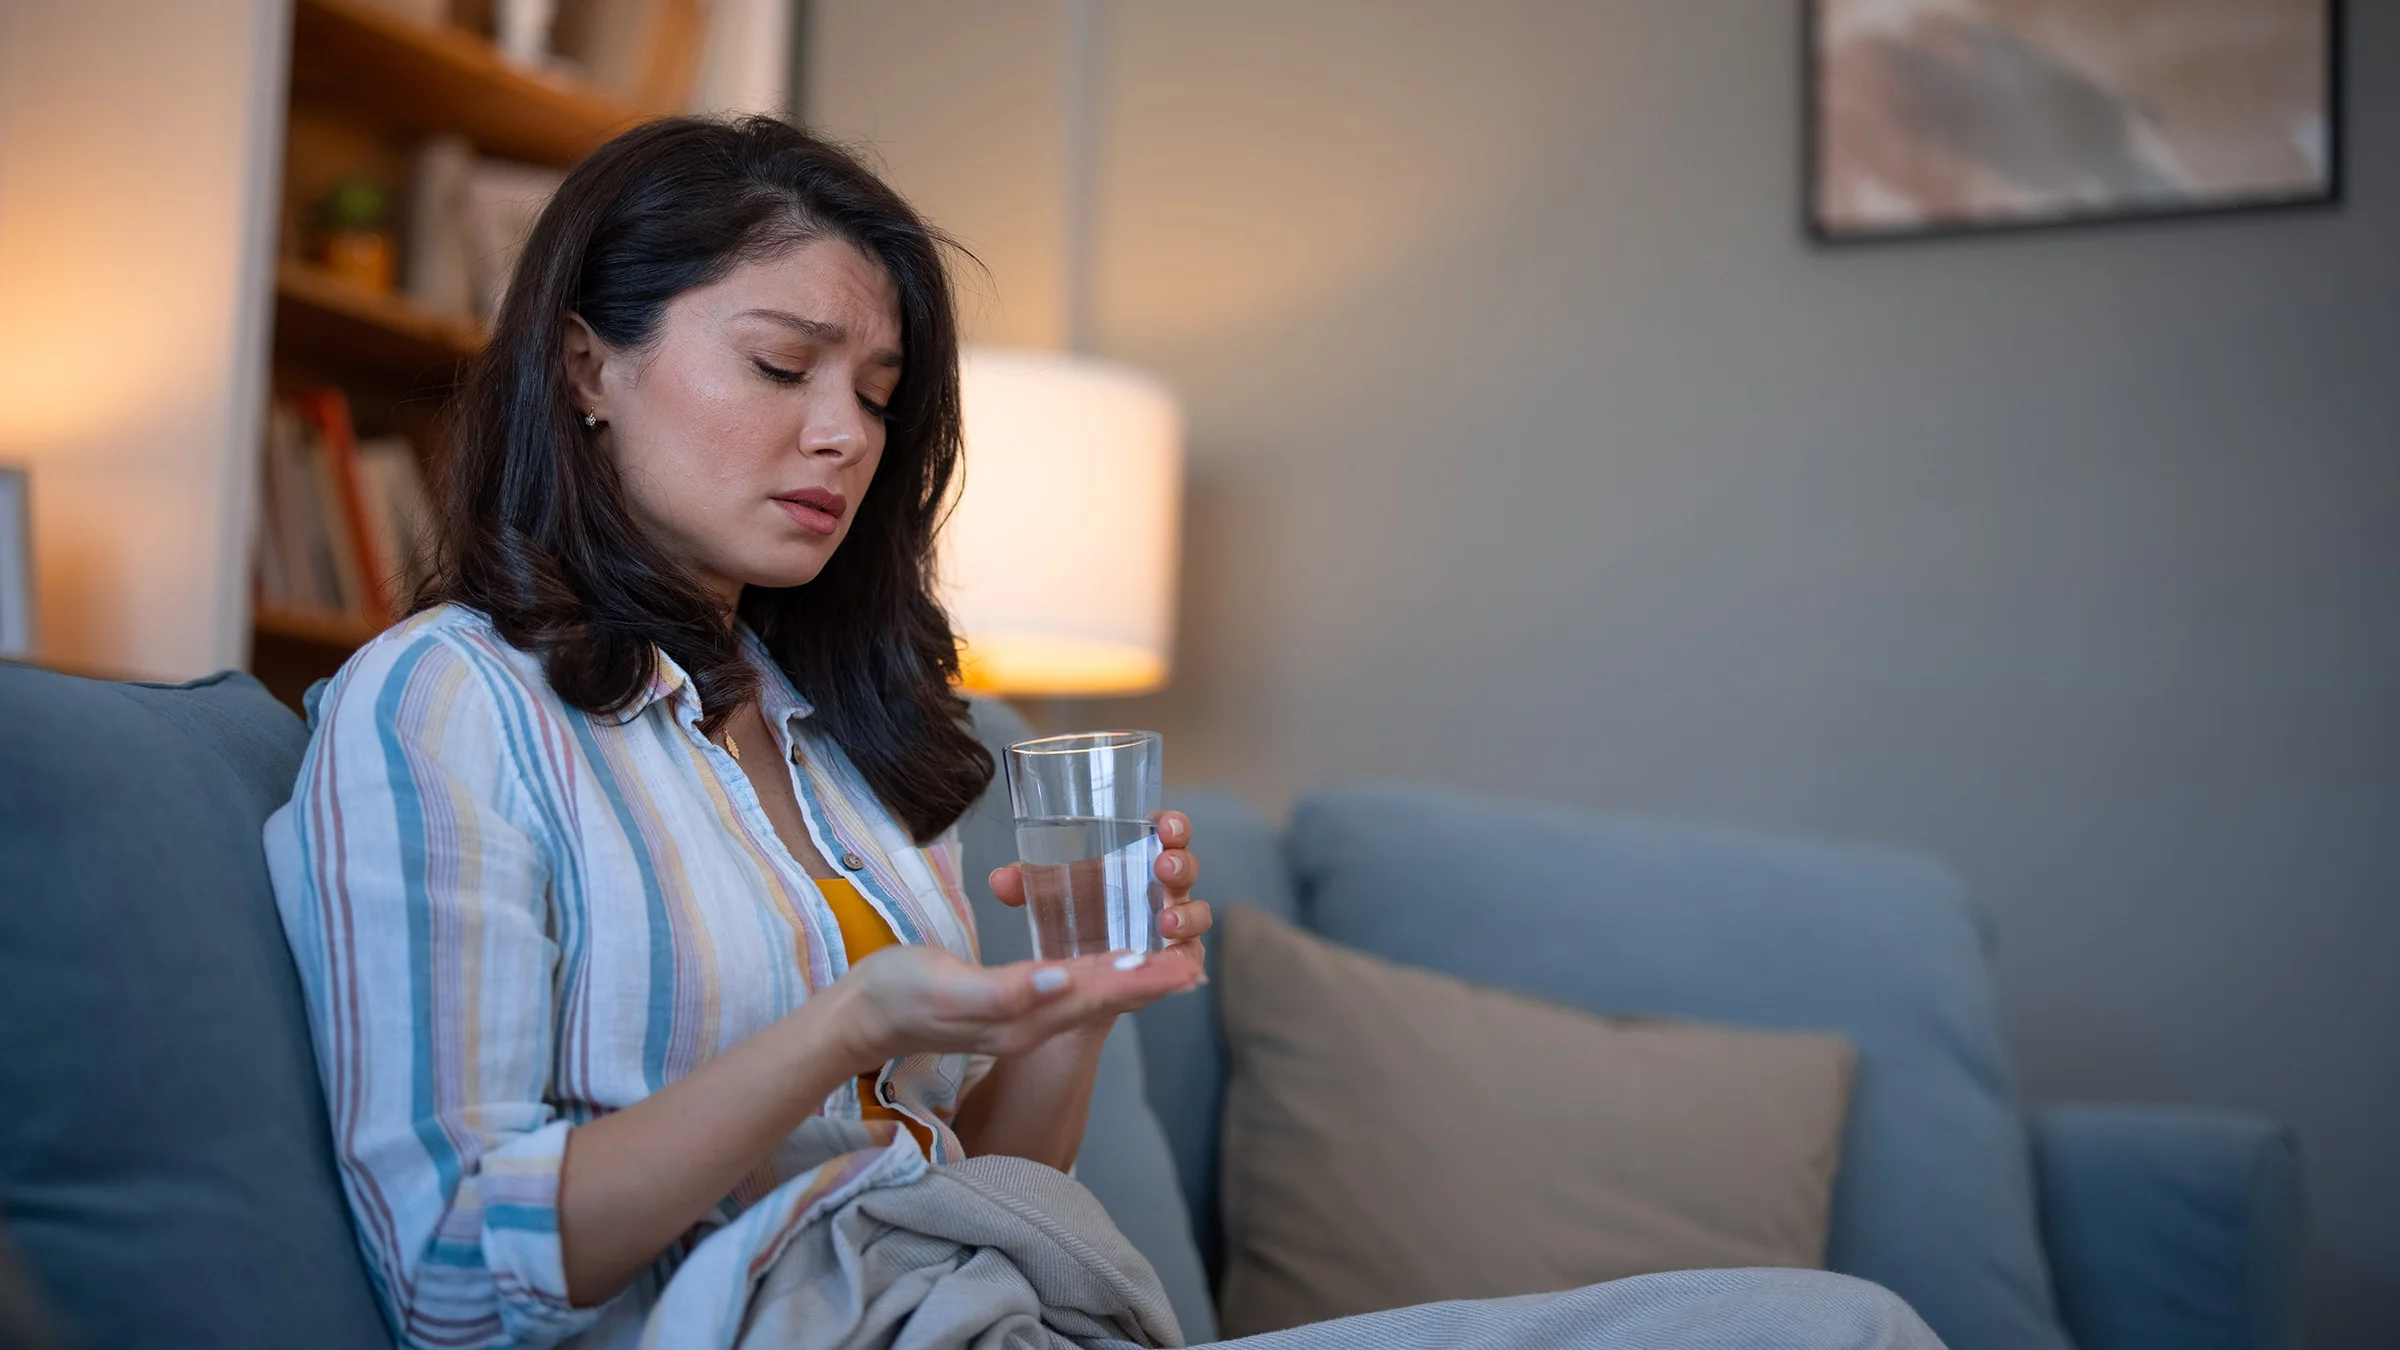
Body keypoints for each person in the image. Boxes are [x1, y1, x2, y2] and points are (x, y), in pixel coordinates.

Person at [265, 115, 1940, 1350]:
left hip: (1009, 1310)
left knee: (1833, 1326)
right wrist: (850, 1021)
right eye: (782, 363)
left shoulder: (846, 746)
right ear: (586, 365)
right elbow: (453, 1271)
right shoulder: (448, 705)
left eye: (875, 391)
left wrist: (1066, 1014)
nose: (839, 434)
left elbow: (999, 1181)